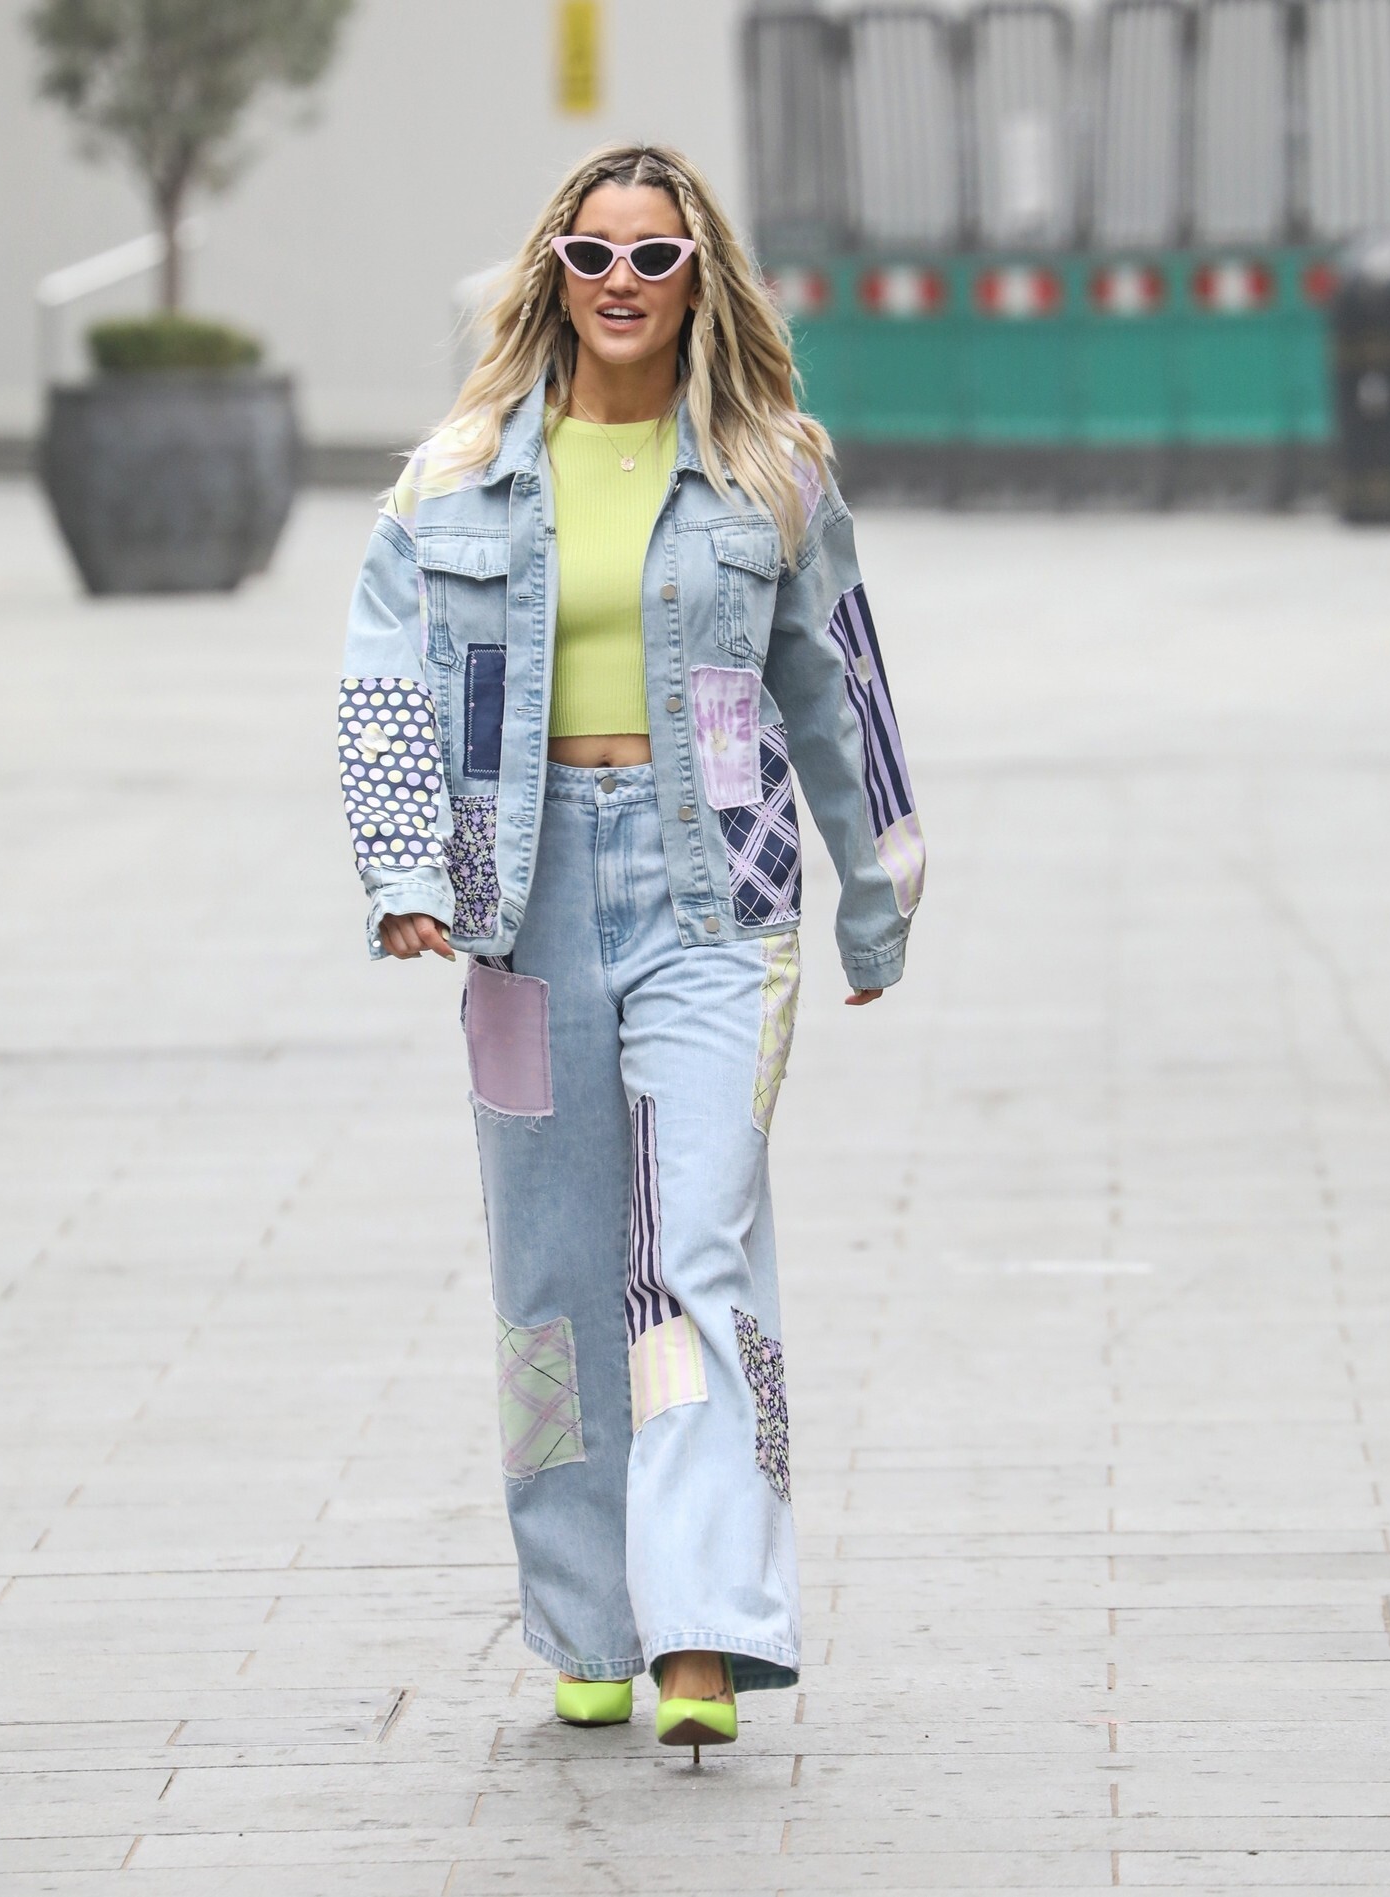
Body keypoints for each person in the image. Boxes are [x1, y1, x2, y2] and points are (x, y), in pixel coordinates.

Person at [338, 143, 923, 1756]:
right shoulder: (457, 474)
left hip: (716, 902)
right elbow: (383, 673)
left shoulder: (768, 472)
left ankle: (703, 1627)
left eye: (653, 258)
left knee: (690, 1254)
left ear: (697, 279)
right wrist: (406, 869)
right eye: (591, 255)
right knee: (548, 1279)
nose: (620, 283)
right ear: (553, 271)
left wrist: (877, 894)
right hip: (520, 910)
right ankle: (585, 1621)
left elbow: (841, 685)